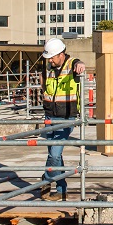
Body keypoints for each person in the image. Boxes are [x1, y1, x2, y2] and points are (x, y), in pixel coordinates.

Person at [39, 37, 85, 201]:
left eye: (52, 57)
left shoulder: (71, 64)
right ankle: (61, 188)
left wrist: (80, 65)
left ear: (61, 54)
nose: (50, 60)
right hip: (50, 115)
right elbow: (45, 87)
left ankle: (46, 179)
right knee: (54, 154)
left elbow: (77, 63)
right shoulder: (48, 68)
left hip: (66, 117)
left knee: (55, 154)